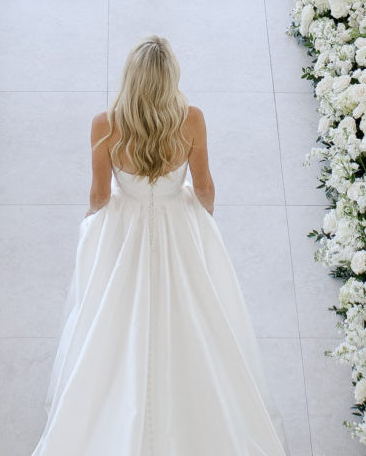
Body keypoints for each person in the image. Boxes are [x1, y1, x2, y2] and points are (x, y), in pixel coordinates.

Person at [30, 36, 288, 456]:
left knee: (112, 317)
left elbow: (98, 195)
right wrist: (200, 221)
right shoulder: (191, 120)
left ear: (130, 79)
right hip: (176, 219)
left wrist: (91, 225)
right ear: (170, 80)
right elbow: (203, 187)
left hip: (125, 224)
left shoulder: (105, 125)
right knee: (198, 313)